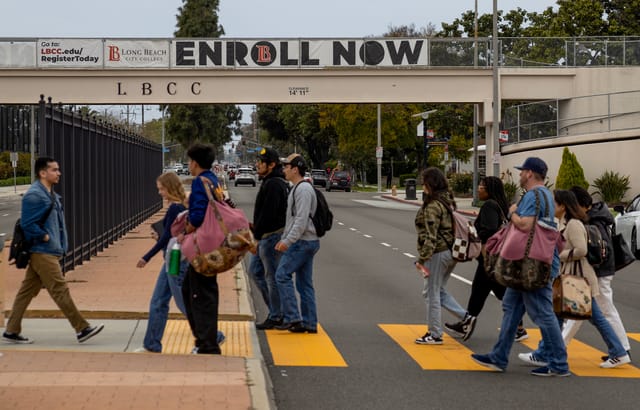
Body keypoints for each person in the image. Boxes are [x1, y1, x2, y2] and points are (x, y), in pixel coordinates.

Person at [471, 157, 570, 376]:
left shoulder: (535, 195)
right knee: (511, 307)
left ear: (530, 173)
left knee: (544, 313)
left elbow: (525, 225)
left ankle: (559, 364)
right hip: (533, 262)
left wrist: (512, 212)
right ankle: (498, 357)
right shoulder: (544, 195)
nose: (519, 175)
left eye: (522, 171)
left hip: (532, 264)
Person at [518, 190, 630, 369]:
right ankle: (545, 353)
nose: (552, 207)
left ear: (563, 206)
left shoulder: (574, 225)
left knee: (589, 317)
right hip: (572, 280)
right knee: (559, 317)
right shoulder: (566, 223)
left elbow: (581, 250)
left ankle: (618, 351)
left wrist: (560, 255)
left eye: (554, 203)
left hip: (578, 280)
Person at [3, 157, 104, 344]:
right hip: (42, 251)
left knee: (26, 291)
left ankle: (11, 330)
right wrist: (45, 236)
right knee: (59, 288)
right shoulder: (34, 195)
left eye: (58, 170)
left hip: (50, 249)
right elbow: (27, 224)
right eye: (54, 170)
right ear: (43, 173)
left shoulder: (49, 194)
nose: (59, 173)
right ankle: (82, 328)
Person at [134, 172, 224, 352]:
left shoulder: (176, 208)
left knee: (185, 303)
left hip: (177, 260)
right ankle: (152, 344)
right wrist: (160, 237)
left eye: (161, 189)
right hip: (172, 258)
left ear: (169, 188)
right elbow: (170, 235)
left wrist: (147, 256)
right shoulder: (180, 206)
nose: (160, 193)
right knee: (158, 300)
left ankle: (212, 336)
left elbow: (167, 236)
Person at [444, 176, 528, 342]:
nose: (478, 188)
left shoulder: (490, 205)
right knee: (494, 291)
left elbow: (489, 230)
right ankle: (517, 327)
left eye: (482, 186)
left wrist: (473, 235)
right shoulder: (501, 206)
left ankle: (469, 323)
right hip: (496, 257)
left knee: (482, 290)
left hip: (489, 257)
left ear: (489, 189)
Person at [567, 186, 631, 361]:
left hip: (600, 271)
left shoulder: (594, 220)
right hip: (601, 270)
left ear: (582, 204)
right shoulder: (598, 217)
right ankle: (622, 348)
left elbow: (598, 249)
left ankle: (622, 349)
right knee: (592, 311)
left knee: (590, 311)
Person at [414, 167, 468, 345]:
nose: (422, 186)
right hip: (451, 251)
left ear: (430, 184)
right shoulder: (448, 201)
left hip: (437, 252)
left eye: (424, 183)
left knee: (431, 293)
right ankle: (466, 317)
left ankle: (435, 333)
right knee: (438, 290)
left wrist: (422, 259)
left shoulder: (433, 206)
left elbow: (431, 236)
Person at [179, 143, 223, 354]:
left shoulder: (199, 182)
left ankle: (207, 343)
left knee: (200, 294)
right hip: (214, 244)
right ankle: (205, 339)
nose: (189, 165)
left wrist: (185, 230)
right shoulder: (213, 180)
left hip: (203, 247)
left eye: (189, 161)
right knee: (193, 289)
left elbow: (197, 215)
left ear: (195, 163)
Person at [274, 154, 321, 333]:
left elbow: (300, 220)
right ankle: (309, 322)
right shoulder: (298, 188)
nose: (284, 169)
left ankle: (293, 317)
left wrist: (287, 241)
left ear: (295, 169)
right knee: (304, 284)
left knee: (281, 275)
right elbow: (293, 219)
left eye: (286, 166)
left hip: (302, 242)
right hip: (307, 241)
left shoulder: (302, 190)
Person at [251, 147, 289, 330]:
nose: (257, 164)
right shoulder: (269, 182)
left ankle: (277, 314)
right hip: (265, 236)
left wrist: (256, 235)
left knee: (271, 276)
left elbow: (270, 214)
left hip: (271, 237)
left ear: (271, 165)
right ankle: (277, 310)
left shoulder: (274, 184)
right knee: (256, 272)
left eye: (261, 162)